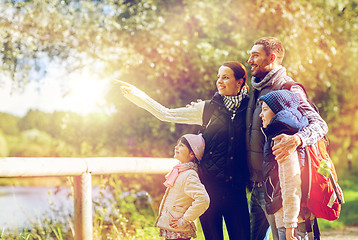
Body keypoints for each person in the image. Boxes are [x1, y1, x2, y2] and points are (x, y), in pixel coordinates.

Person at [116, 61, 250, 239]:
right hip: (209, 187)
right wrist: (136, 94)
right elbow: (166, 114)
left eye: (225, 77)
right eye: (218, 77)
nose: (219, 81)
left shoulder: (251, 107)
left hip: (236, 188)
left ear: (239, 82)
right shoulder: (207, 108)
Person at [246, 37, 328, 240]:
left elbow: (319, 125)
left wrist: (297, 139)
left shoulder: (290, 88)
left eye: (255, 55)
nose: (249, 60)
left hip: (284, 187)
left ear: (271, 58)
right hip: (258, 186)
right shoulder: (255, 89)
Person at [259, 90, 312, 240]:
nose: (260, 115)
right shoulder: (284, 133)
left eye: (265, 110)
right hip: (288, 217)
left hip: (289, 221)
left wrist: (289, 225)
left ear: (277, 111)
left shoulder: (283, 139)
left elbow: (290, 184)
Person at [155, 133, 210, 240]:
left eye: (181, 145)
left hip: (179, 230)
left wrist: (185, 220)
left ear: (192, 154)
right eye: (177, 144)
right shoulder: (180, 171)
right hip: (173, 228)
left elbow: (203, 199)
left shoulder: (190, 174)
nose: (176, 147)